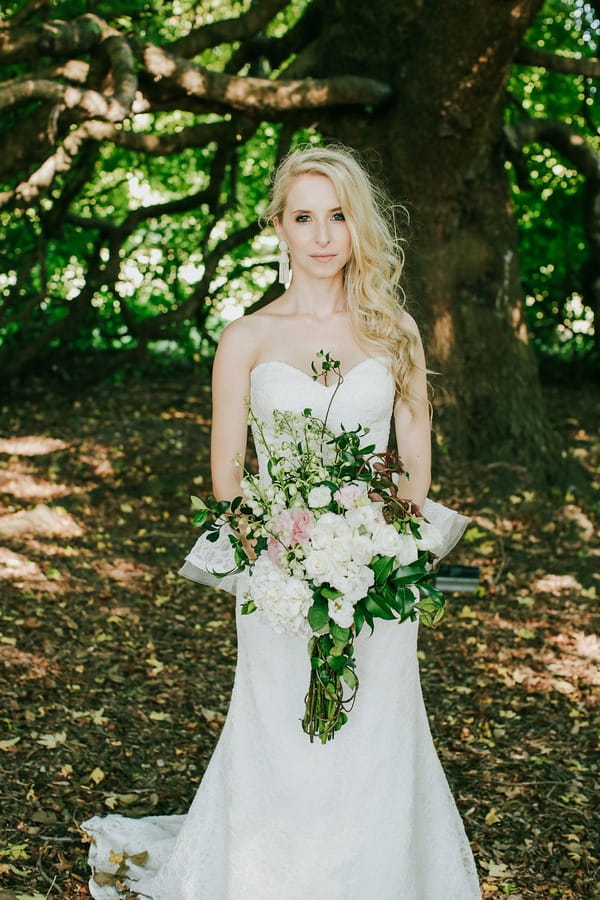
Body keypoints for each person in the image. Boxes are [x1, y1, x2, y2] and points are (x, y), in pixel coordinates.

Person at [82, 145, 481, 899]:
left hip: (374, 570)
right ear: (279, 226)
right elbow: (228, 476)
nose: (323, 235)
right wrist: (283, 547)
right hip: (274, 578)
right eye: (304, 217)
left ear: (357, 226)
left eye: (337, 216)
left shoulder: (395, 329)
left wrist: (369, 534)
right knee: (279, 734)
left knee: (373, 735)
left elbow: (416, 464)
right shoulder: (244, 339)